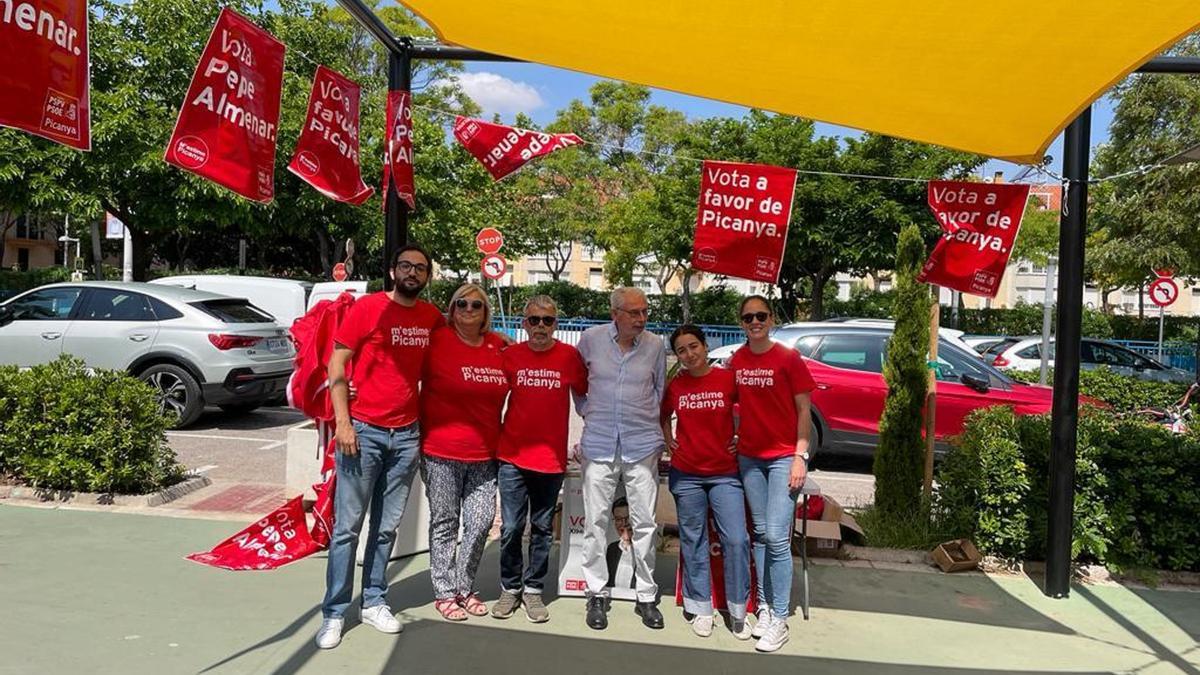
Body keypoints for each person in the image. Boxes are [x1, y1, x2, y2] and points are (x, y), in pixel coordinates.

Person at [316, 244, 445, 650]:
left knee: (386, 529)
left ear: (427, 276)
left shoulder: (431, 318)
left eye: (420, 268)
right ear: (392, 271)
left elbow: (459, 348)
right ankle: (334, 613)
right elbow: (337, 364)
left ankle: (373, 601)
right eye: (405, 265)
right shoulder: (368, 308)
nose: (412, 272)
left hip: (406, 436)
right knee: (347, 530)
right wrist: (343, 421)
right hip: (363, 433)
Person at [491, 295, 587, 623]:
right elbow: (489, 402)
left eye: (547, 320)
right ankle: (510, 588)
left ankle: (533, 590)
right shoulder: (511, 356)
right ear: (524, 323)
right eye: (534, 320)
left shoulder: (569, 357)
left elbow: (588, 399)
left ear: (556, 324)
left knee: (543, 528)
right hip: (512, 457)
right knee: (512, 528)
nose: (541, 327)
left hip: (550, 460)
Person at [576, 287, 667, 631]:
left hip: (642, 443)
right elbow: (578, 383)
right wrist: (588, 411)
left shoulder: (656, 345)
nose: (641, 319)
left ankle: (646, 596)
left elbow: (659, 390)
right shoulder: (590, 339)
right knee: (595, 521)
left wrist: (648, 426)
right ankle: (596, 593)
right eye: (634, 313)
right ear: (614, 314)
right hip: (599, 442)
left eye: (645, 312)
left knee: (645, 523)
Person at [729, 295, 815, 653]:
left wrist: (800, 456)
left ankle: (780, 617)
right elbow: (733, 403)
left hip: (783, 459)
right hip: (750, 458)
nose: (755, 322)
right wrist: (734, 437)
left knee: (778, 538)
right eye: (748, 317)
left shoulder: (788, 359)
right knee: (761, 534)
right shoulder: (737, 359)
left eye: (761, 315)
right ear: (742, 323)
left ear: (772, 318)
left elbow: (804, 411)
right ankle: (763, 607)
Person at [421, 283, 510, 621]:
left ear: (485, 311)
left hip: (485, 454)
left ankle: (463, 585)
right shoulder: (437, 341)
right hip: (441, 450)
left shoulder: (500, 346)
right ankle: (444, 592)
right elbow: (397, 365)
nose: (469, 310)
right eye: (462, 304)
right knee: (445, 522)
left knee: (481, 521)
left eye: (476, 304)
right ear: (452, 308)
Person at [661, 324, 752, 640]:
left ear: (705, 346)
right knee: (693, 541)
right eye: (682, 350)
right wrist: (668, 438)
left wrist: (742, 437)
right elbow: (662, 415)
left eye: (693, 346)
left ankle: (738, 609)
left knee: (737, 539)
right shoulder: (676, 385)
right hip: (686, 475)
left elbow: (752, 410)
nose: (689, 354)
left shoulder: (727, 379)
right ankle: (700, 607)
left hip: (725, 474)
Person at [604, 498, 636, 590]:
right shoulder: (611, 549)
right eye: (618, 519)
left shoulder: (644, 549)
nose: (624, 523)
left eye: (628, 518)